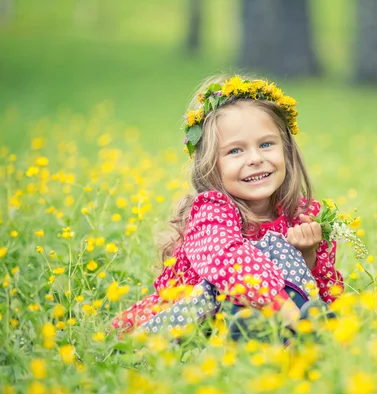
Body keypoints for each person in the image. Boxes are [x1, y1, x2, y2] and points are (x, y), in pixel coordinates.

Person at [111, 75, 344, 340]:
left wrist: (308, 254)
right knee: (249, 271)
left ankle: (290, 338)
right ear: (211, 164)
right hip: (198, 320)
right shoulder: (212, 212)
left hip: (279, 317)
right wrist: (288, 313)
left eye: (266, 144)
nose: (255, 159)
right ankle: (270, 334)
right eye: (235, 151)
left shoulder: (299, 215)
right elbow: (230, 260)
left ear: (287, 150)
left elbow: (325, 295)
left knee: (292, 277)